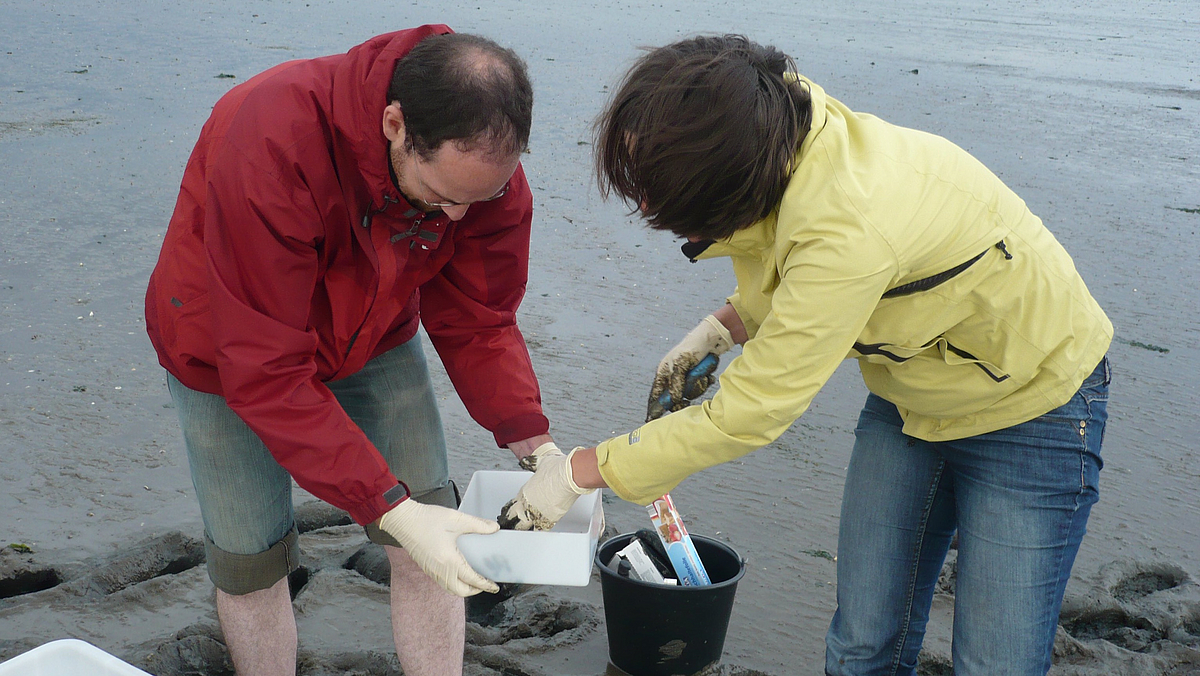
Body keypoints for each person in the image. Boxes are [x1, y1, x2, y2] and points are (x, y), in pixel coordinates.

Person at [501, 35, 1112, 675]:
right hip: (914, 395)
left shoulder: (849, 221)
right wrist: (723, 326)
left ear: (728, 175)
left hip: (1034, 404)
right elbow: (789, 264)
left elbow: (749, 413)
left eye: (665, 193)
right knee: (862, 645)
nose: (651, 206)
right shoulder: (776, 136)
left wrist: (578, 471)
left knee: (997, 663)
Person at [145, 26, 565, 676]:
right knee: (253, 560)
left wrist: (533, 441)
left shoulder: (482, 173)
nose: (457, 217)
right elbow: (268, 373)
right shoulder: (271, 138)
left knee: (435, 532)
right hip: (227, 351)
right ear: (395, 125)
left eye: (476, 200)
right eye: (442, 197)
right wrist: (386, 505)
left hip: (374, 331)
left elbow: (481, 318)